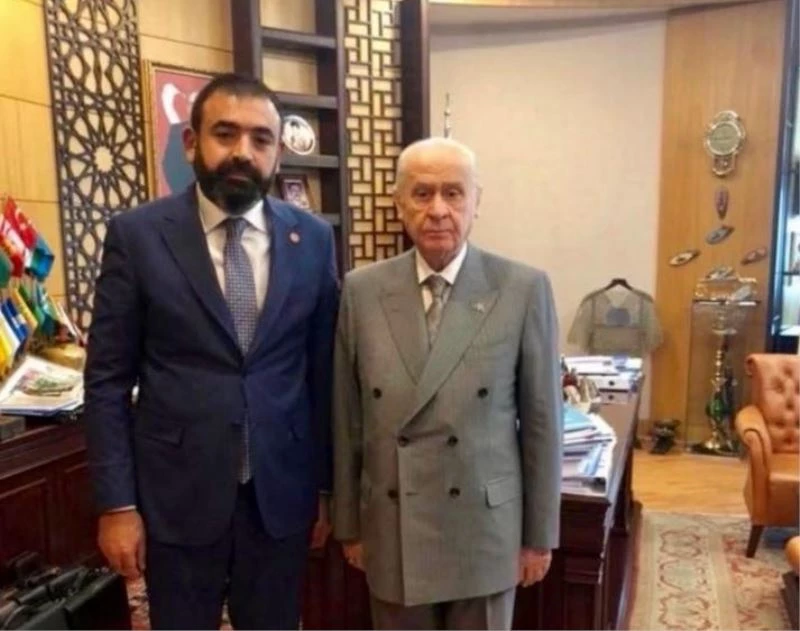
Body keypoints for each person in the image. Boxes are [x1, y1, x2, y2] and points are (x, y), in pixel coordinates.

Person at [83, 73, 339, 630]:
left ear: (277, 153)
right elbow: (106, 381)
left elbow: (323, 376)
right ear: (191, 143)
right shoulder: (138, 236)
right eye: (226, 134)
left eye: (261, 139)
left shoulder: (314, 240)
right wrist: (116, 505)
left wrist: (324, 487)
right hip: (176, 495)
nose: (243, 152)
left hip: (279, 494)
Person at [332, 137, 563, 630]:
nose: (438, 210)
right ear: (399, 204)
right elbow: (347, 418)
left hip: (484, 529)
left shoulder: (522, 288)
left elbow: (543, 423)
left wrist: (539, 537)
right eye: (422, 193)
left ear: (476, 201)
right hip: (393, 526)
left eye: (453, 193)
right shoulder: (362, 290)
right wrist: (349, 524)